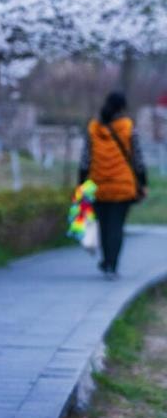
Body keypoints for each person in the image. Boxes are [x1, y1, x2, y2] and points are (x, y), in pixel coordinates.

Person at [78, 90, 148, 279]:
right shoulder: (128, 127)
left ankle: (106, 260)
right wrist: (143, 182)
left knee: (103, 225)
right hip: (122, 186)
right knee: (116, 226)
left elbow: (85, 159)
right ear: (122, 107)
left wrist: (81, 184)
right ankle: (112, 264)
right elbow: (138, 158)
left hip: (98, 184)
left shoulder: (93, 127)